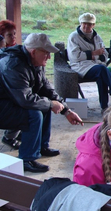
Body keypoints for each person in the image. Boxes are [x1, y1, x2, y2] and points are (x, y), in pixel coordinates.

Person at [0, 33, 83, 173]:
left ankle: (41, 146)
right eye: (46, 53)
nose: (49, 57)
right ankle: (27, 158)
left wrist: (66, 110)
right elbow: (25, 99)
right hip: (3, 106)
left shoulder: (34, 61)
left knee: (44, 105)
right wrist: (51, 104)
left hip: (12, 100)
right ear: (33, 52)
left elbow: (46, 88)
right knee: (34, 114)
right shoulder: (13, 65)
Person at [67, 12, 111, 113]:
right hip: (81, 67)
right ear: (80, 23)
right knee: (102, 70)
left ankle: (104, 107)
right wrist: (94, 53)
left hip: (96, 66)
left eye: (89, 24)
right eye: (84, 23)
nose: (86, 26)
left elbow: (104, 55)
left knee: (101, 74)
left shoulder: (97, 37)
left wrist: (94, 55)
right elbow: (75, 56)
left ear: (93, 25)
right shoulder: (74, 37)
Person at [0, 20, 21, 149]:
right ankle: (9, 136)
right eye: (9, 35)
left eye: (14, 34)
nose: (13, 37)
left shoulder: (15, 50)